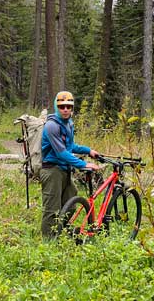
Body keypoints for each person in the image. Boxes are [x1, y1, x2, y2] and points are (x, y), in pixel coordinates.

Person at [40, 91, 100, 238]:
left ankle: (60, 232)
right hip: (51, 170)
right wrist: (83, 164)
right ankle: (49, 242)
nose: (65, 109)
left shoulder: (69, 123)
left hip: (64, 169)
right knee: (51, 209)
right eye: (62, 107)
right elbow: (61, 153)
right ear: (57, 107)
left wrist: (88, 150)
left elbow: (70, 146)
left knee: (70, 204)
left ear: (72, 108)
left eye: (68, 106)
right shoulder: (51, 126)